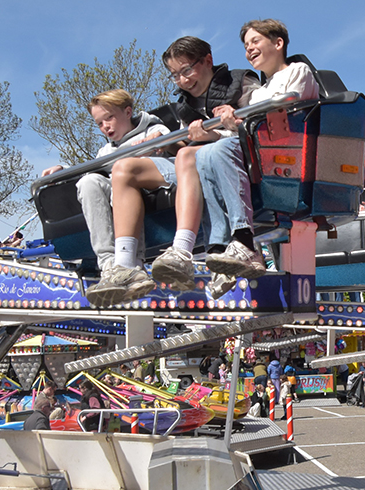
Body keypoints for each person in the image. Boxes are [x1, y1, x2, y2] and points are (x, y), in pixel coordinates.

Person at [152, 22, 319, 297]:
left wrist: (235, 121)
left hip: (287, 154)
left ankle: (244, 238)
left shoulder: (296, 71)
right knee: (203, 154)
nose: (249, 49)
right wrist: (231, 122)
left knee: (217, 150)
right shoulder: (264, 87)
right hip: (263, 150)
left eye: (255, 42)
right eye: (245, 46)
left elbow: (281, 112)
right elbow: (252, 120)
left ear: (278, 44)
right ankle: (218, 250)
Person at [40, 89, 178, 307]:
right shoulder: (107, 150)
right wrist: (62, 169)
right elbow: (92, 169)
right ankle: (109, 265)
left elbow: (165, 144)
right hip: (119, 192)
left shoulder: (153, 128)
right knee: (88, 182)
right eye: (99, 124)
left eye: (109, 118)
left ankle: (134, 263)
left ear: (127, 112)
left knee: (120, 181)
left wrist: (155, 143)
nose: (105, 126)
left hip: (149, 188)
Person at [145, 35, 258, 294]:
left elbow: (258, 126)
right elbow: (192, 147)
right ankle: (210, 251)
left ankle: (225, 242)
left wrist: (217, 133)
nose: (183, 80)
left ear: (208, 60)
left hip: (247, 154)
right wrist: (171, 143)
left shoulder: (241, 82)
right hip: (211, 161)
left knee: (204, 154)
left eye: (187, 70)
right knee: (189, 156)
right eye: (175, 75)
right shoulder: (186, 106)